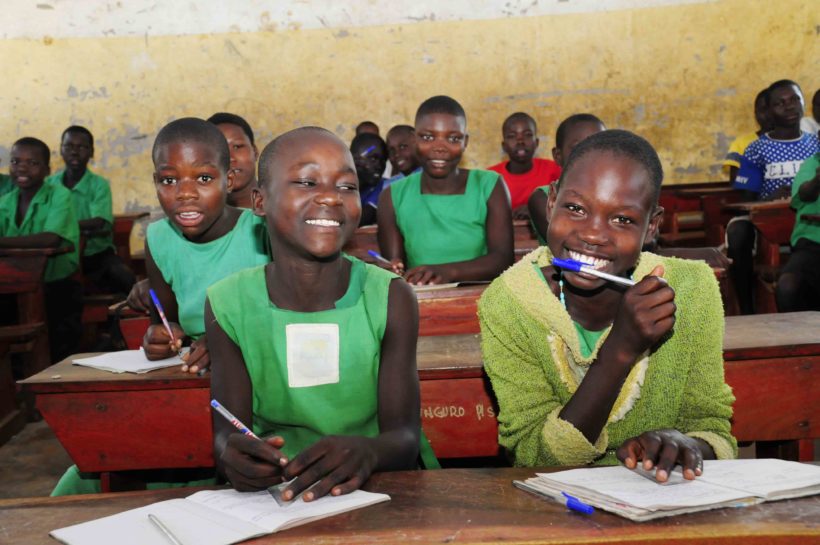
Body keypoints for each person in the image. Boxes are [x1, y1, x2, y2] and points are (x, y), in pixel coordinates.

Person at [479, 130, 736, 482]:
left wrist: (685, 445)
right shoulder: (507, 302)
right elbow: (532, 455)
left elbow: (713, 428)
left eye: (623, 220)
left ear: (652, 226)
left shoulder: (691, 289)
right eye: (575, 208)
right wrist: (621, 349)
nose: (593, 234)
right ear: (551, 202)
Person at [50, 118, 272, 496]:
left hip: (260, 391)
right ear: (156, 183)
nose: (185, 193)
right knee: (86, 474)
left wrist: (228, 344)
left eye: (203, 179)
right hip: (194, 391)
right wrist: (159, 338)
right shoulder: (159, 238)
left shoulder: (262, 232)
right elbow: (167, 326)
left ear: (229, 179)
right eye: (169, 181)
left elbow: (288, 320)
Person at [206, 126, 421, 500]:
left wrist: (368, 451)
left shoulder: (389, 297)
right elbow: (227, 432)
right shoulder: (229, 304)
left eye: (346, 186)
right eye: (306, 183)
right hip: (276, 497)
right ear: (259, 201)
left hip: (377, 489)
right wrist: (232, 456)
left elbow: (404, 439)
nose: (330, 198)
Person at [377, 95, 513, 285]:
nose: (439, 147)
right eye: (428, 137)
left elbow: (502, 260)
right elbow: (394, 266)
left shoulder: (489, 185)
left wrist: (447, 272)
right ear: (415, 140)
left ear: (465, 142)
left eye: (453, 138)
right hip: (423, 299)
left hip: (484, 296)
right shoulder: (393, 196)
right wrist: (393, 268)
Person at [729, 80, 820, 314]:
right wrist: (771, 197)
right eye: (780, 103)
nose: (789, 107)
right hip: (767, 220)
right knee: (738, 231)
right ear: (769, 111)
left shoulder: (815, 145)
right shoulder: (756, 149)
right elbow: (745, 200)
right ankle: (747, 308)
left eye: (794, 100)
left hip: (807, 221)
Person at [0, 137, 82, 363]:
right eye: (16, 161)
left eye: (32, 163)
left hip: (56, 282)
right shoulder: (5, 201)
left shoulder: (59, 195)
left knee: (59, 339)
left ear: (47, 169)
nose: (22, 168)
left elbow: (51, 238)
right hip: (13, 287)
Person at [46, 125, 136, 295]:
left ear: (92, 152)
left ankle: (124, 317)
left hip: (95, 254)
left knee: (122, 276)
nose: (74, 152)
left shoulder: (98, 185)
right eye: (69, 146)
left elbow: (98, 222)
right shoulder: (49, 185)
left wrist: (62, 227)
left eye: (81, 147)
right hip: (59, 256)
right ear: (61, 150)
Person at [528, 114, 606, 243]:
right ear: (558, 156)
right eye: (579, 147)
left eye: (600, 147)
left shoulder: (618, 195)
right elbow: (569, 244)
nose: (591, 155)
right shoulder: (543, 198)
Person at [487, 112, 561, 217]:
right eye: (512, 136)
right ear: (504, 146)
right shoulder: (490, 177)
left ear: (537, 143)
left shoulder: (554, 170)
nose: (520, 141)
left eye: (527, 135)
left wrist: (537, 208)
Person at [776, 153, 820, 311]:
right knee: (788, 286)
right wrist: (817, 179)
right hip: (812, 243)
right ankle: (797, 334)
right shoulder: (812, 164)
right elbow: (805, 195)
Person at [207, 113, 259, 209]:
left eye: (237, 147)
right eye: (218, 149)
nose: (230, 158)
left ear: (255, 152)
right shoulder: (196, 214)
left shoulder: (282, 205)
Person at [723, 89, 773, 183]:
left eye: (771, 109)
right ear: (755, 114)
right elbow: (735, 180)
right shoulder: (741, 143)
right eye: (763, 110)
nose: (768, 115)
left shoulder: (794, 142)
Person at [350, 132, 388, 226]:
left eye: (383, 160)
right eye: (373, 159)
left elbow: (362, 218)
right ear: (353, 158)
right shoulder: (336, 183)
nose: (379, 165)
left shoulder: (384, 186)